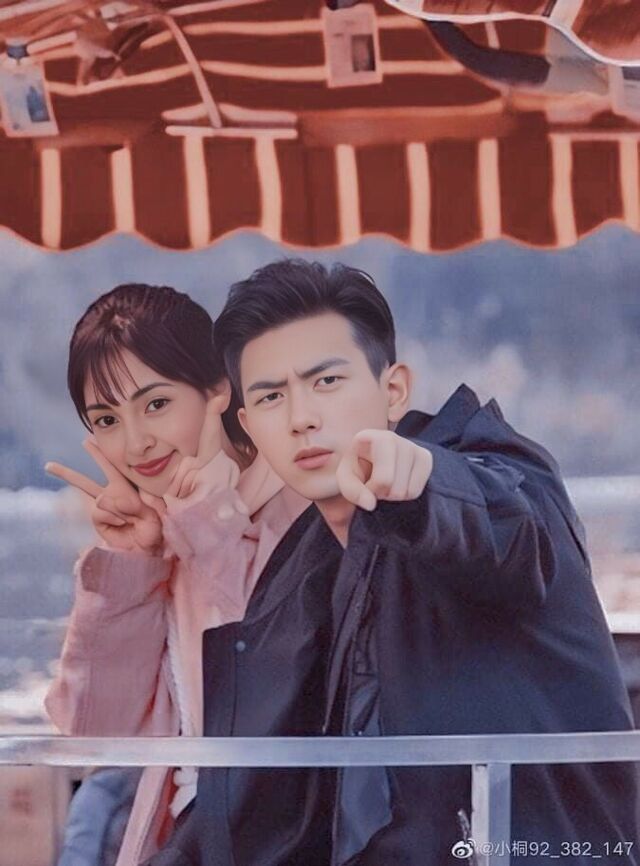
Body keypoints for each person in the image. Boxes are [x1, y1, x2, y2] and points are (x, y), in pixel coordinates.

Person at [149, 259, 639, 866]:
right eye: (272, 396)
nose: (301, 417)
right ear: (248, 424)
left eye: (327, 381)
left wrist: (424, 486)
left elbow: (510, 529)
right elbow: (258, 788)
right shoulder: (305, 565)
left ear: (394, 390)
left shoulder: (498, 471)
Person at [45, 283, 308, 866]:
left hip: (286, 836)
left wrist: (210, 523)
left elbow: (272, 691)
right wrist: (130, 563)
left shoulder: (299, 506)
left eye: (156, 404)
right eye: (107, 419)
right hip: (189, 836)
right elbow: (94, 730)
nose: (136, 442)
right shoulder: (162, 532)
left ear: (218, 390)